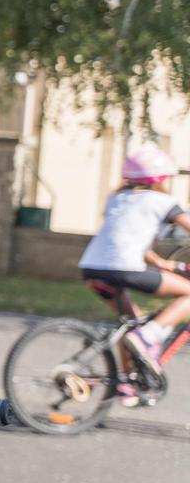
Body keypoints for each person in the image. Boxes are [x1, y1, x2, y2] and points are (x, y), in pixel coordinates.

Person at [78, 145, 190, 396]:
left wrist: (160, 262)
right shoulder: (163, 201)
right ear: (160, 179)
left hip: (91, 268)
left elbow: (126, 238)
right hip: (123, 268)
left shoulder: (116, 198)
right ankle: (148, 337)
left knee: (131, 320)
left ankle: (128, 380)